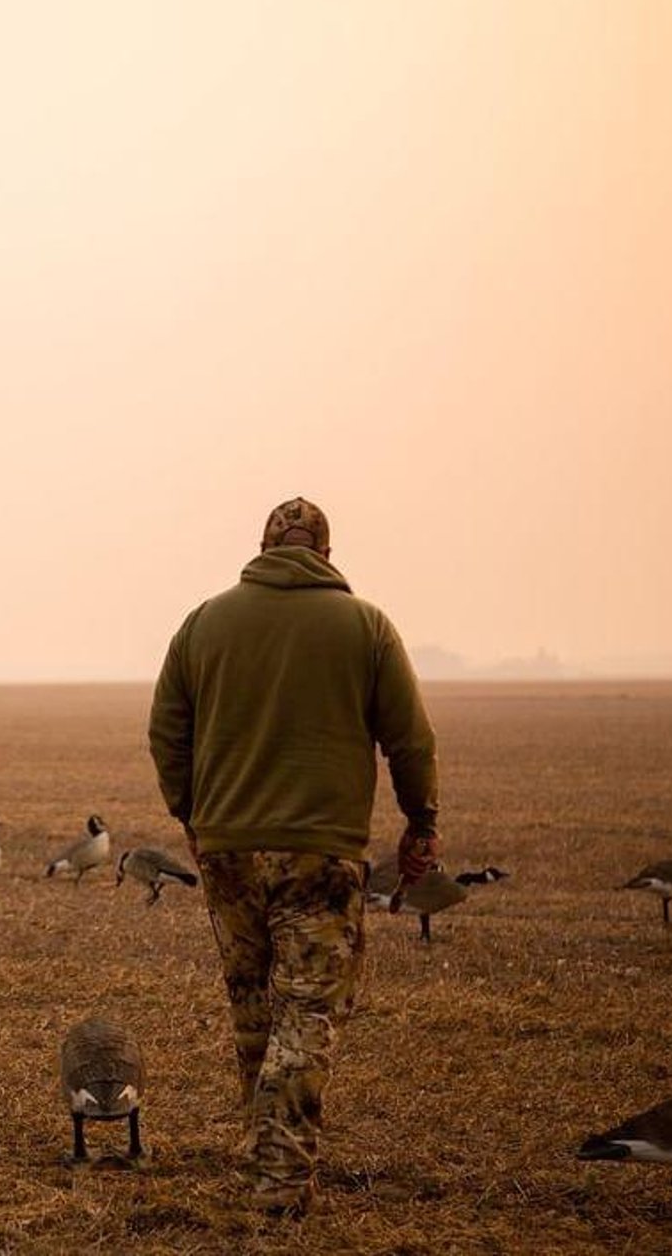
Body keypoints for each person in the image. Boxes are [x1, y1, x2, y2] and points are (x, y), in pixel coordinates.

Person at [147, 496, 439, 1216]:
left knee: (252, 1005)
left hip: (227, 852)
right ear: (327, 555)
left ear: (264, 548)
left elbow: (166, 732)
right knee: (307, 1013)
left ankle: (263, 1150)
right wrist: (420, 818)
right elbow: (410, 738)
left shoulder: (203, 623)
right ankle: (279, 1176)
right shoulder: (366, 626)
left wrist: (190, 813)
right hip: (321, 855)